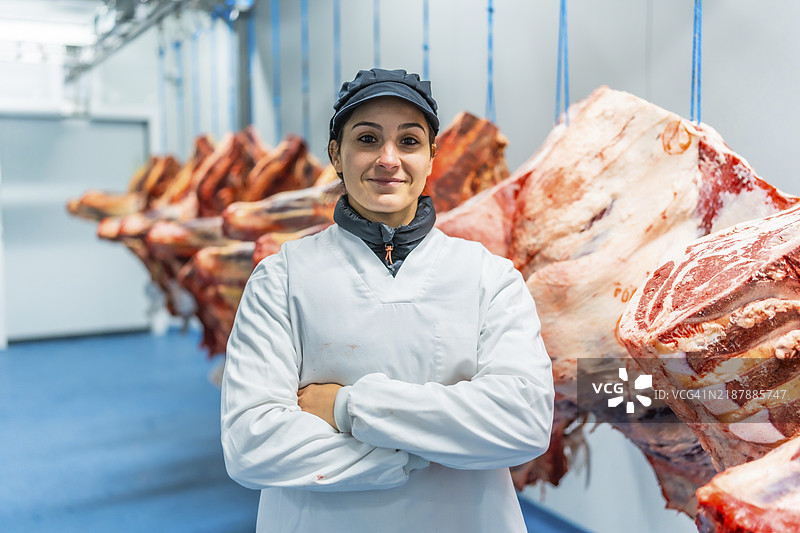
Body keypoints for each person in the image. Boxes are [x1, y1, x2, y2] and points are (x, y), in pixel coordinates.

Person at [221, 68, 554, 533]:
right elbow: (251, 445)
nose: (388, 159)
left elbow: (523, 422)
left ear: (432, 157)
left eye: (409, 141)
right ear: (336, 155)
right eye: (367, 139)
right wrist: (411, 456)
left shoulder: (490, 277)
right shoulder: (281, 278)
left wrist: (347, 408)